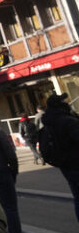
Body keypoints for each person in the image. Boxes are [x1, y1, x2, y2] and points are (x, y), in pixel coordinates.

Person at [41, 93, 79, 222]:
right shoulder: (67, 120)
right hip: (76, 161)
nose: (67, 102)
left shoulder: (49, 121)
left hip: (65, 165)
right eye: (64, 101)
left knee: (77, 196)